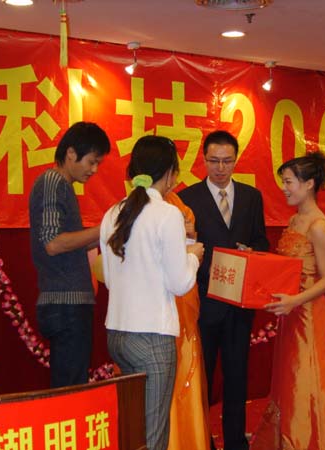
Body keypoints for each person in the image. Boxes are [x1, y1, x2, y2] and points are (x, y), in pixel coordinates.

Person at [99, 135, 204, 450]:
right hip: (152, 339)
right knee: (153, 436)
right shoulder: (167, 214)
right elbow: (180, 283)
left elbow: (109, 278)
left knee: (131, 430)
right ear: (170, 174)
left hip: (117, 334)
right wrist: (193, 257)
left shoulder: (112, 213)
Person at [251, 152, 325, 450]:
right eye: (284, 182)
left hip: (310, 316)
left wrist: (295, 300)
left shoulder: (318, 226)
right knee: (289, 380)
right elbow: (288, 266)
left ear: (309, 183)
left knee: (306, 380)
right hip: (291, 312)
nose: (284, 188)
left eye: (289, 182)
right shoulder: (294, 219)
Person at [178, 130, 269, 450]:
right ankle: (201, 440)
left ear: (236, 160)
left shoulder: (251, 196)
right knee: (201, 379)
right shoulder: (187, 198)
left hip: (240, 304)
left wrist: (253, 252)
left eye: (227, 161)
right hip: (203, 303)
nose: (220, 168)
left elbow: (262, 240)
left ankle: (235, 442)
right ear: (203, 160)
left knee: (237, 377)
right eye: (214, 161)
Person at [29, 121, 111, 388]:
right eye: (92, 161)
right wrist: (104, 228)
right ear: (71, 153)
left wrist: (109, 233)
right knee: (71, 387)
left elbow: (69, 244)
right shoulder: (53, 181)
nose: (94, 170)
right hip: (65, 304)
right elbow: (53, 243)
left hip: (69, 304)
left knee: (73, 382)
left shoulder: (62, 185)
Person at [165, 191, 211, 450]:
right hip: (162, 307)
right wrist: (192, 255)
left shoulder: (182, 208)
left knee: (185, 368)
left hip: (183, 306)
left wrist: (190, 239)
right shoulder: (144, 209)